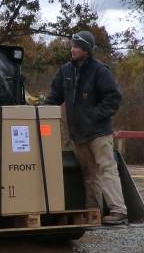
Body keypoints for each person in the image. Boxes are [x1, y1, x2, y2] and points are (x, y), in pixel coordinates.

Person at [45, 30, 127, 225]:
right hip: (78, 134)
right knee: (89, 175)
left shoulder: (100, 71)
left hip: (99, 133)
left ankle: (118, 211)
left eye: (78, 46)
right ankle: (94, 212)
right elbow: (54, 97)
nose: (73, 49)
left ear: (87, 50)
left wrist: (94, 116)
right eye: (73, 45)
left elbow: (113, 98)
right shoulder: (65, 71)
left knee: (106, 169)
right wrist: (38, 111)